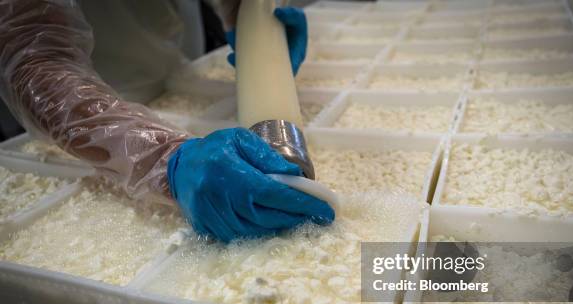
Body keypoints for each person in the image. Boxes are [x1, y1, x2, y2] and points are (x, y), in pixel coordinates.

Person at [0, 0, 335, 243]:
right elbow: (33, 65)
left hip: (169, 64)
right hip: (77, 107)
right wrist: (164, 159)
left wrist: (251, 20)